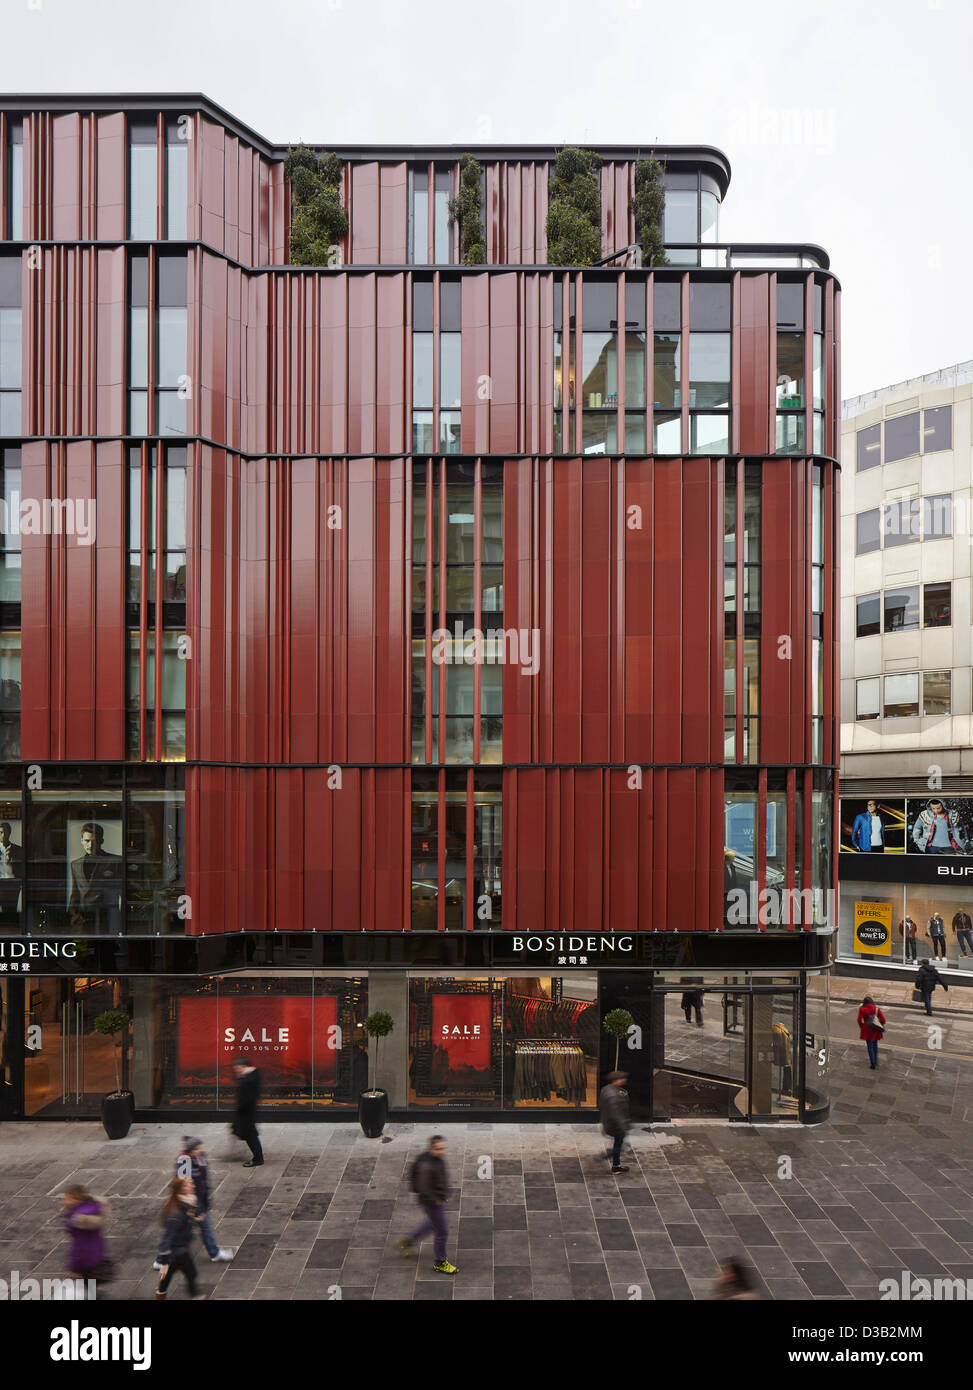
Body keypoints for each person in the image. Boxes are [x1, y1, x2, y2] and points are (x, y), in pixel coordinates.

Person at [153, 1138, 232, 1270]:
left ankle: (214, 1253)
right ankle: (160, 1260)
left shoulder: (199, 1158)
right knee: (176, 1232)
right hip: (189, 1203)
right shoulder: (184, 1162)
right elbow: (185, 1187)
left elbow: (202, 1181)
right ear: (191, 1150)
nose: (201, 1150)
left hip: (198, 1201)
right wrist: (196, 1208)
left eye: (201, 1147)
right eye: (198, 1149)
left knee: (202, 1228)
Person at [396, 1136, 457, 1275]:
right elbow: (424, 1189)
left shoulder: (436, 1159)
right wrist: (437, 1200)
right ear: (431, 1149)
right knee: (442, 1232)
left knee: (433, 1223)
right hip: (432, 1203)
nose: (442, 1151)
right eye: (438, 1149)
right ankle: (440, 1263)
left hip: (437, 1200)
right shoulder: (427, 1166)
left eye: (443, 1148)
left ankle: (408, 1241)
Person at [155, 1176, 206, 1300]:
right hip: (178, 1250)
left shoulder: (183, 1204)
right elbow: (166, 1238)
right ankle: (196, 1296)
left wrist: (194, 1218)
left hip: (178, 1248)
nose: (193, 1186)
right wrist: (164, 1262)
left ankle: (160, 1294)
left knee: (169, 1274)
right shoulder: (175, 1214)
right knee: (191, 1273)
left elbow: (185, 1217)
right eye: (189, 1184)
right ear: (181, 1189)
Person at [68, 821, 123, 934]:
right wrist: (73, 913)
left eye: (94, 841)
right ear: (81, 841)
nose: (90, 845)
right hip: (84, 916)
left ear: (101, 841)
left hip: (108, 916)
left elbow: (123, 890)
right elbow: (75, 892)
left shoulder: (116, 861)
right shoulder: (75, 864)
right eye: (87, 841)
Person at [61, 1185, 109, 1294]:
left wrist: (74, 1269)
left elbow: (80, 1247)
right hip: (96, 1254)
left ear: (76, 1199)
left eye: (67, 1199)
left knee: (87, 1285)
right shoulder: (92, 1209)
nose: (63, 1202)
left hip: (86, 1261)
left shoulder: (79, 1221)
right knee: (90, 1285)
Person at [231, 1058, 264, 1166]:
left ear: (244, 1067)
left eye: (238, 1069)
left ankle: (258, 1159)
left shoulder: (249, 1079)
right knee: (249, 1134)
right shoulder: (253, 1075)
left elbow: (246, 1098)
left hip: (247, 1112)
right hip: (247, 1112)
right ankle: (257, 1157)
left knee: (251, 1136)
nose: (237, 1071)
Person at [598, 1070, 631, 1175]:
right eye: (622, 1079)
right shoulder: (614, 1096)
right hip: (616, 1126)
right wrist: (624, 1126)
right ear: (616, 1080)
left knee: (619, 1144)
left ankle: (616, 1165)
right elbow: (616, 1114)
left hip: (608, 1122)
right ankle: (606, 1158)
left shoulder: (606, 1089)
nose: (624, 1081)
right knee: (619, 1145)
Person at [856, 995, 886, 1070]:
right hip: (875, 1029)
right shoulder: (876, 1009)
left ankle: (872, 1063)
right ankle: (875, 1061)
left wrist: (862, 1026)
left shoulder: (862, 1009)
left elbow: (859, 1020)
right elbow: (884, 1020)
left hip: (867, 1029)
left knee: (870, 1046)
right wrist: (879, 1024)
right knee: (875, 1045)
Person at [0, 820, 23, 914]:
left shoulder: (18, 850)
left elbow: (22, 869)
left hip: (13, 883)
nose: (3, 835)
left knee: (11, 910)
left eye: (5, 832)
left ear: (9, 833)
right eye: (1, 832)